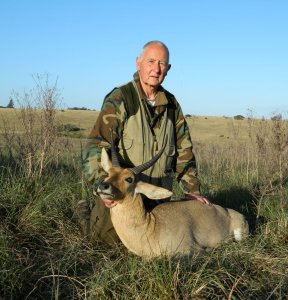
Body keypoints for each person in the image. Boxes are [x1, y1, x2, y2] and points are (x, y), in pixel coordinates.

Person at [79, 40, 209, 244]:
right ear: (138, 63)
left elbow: (185, 152)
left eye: (162, 63)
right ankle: (84, 212)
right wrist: (101, 185)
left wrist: (192, 192)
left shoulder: (172, 105)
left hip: (157, 199)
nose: (156, 69)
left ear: (168, 69)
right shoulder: (120, 98)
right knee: (106, 242)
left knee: (163, 245)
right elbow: (95, 147)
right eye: (151, 61)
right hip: (123, 196)